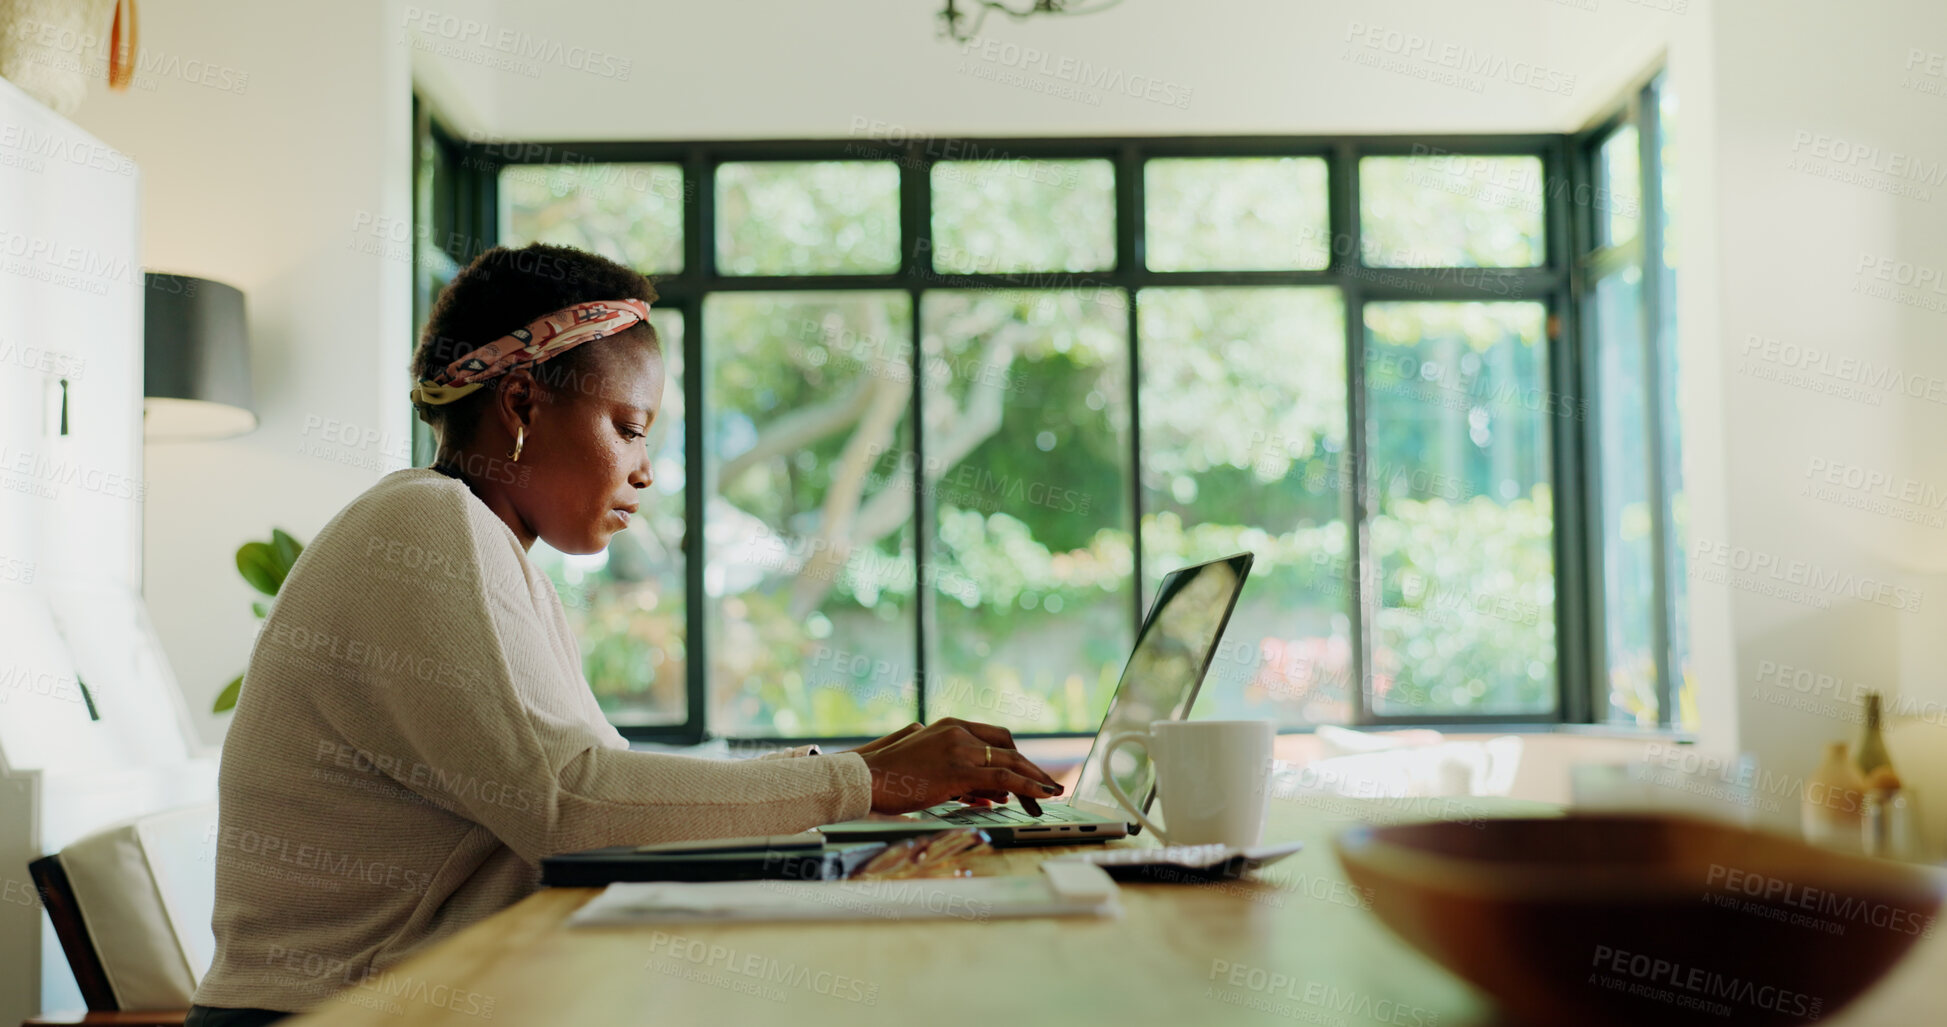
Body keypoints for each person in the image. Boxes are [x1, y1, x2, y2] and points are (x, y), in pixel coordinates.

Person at [184, 243, 1063, 1027]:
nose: (645, 469)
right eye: (630, 428)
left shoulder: (483, 545)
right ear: (520, 401)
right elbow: (570, 808)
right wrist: (862, 780)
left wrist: (857, 767)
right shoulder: (426, 525)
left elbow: (605, 792)